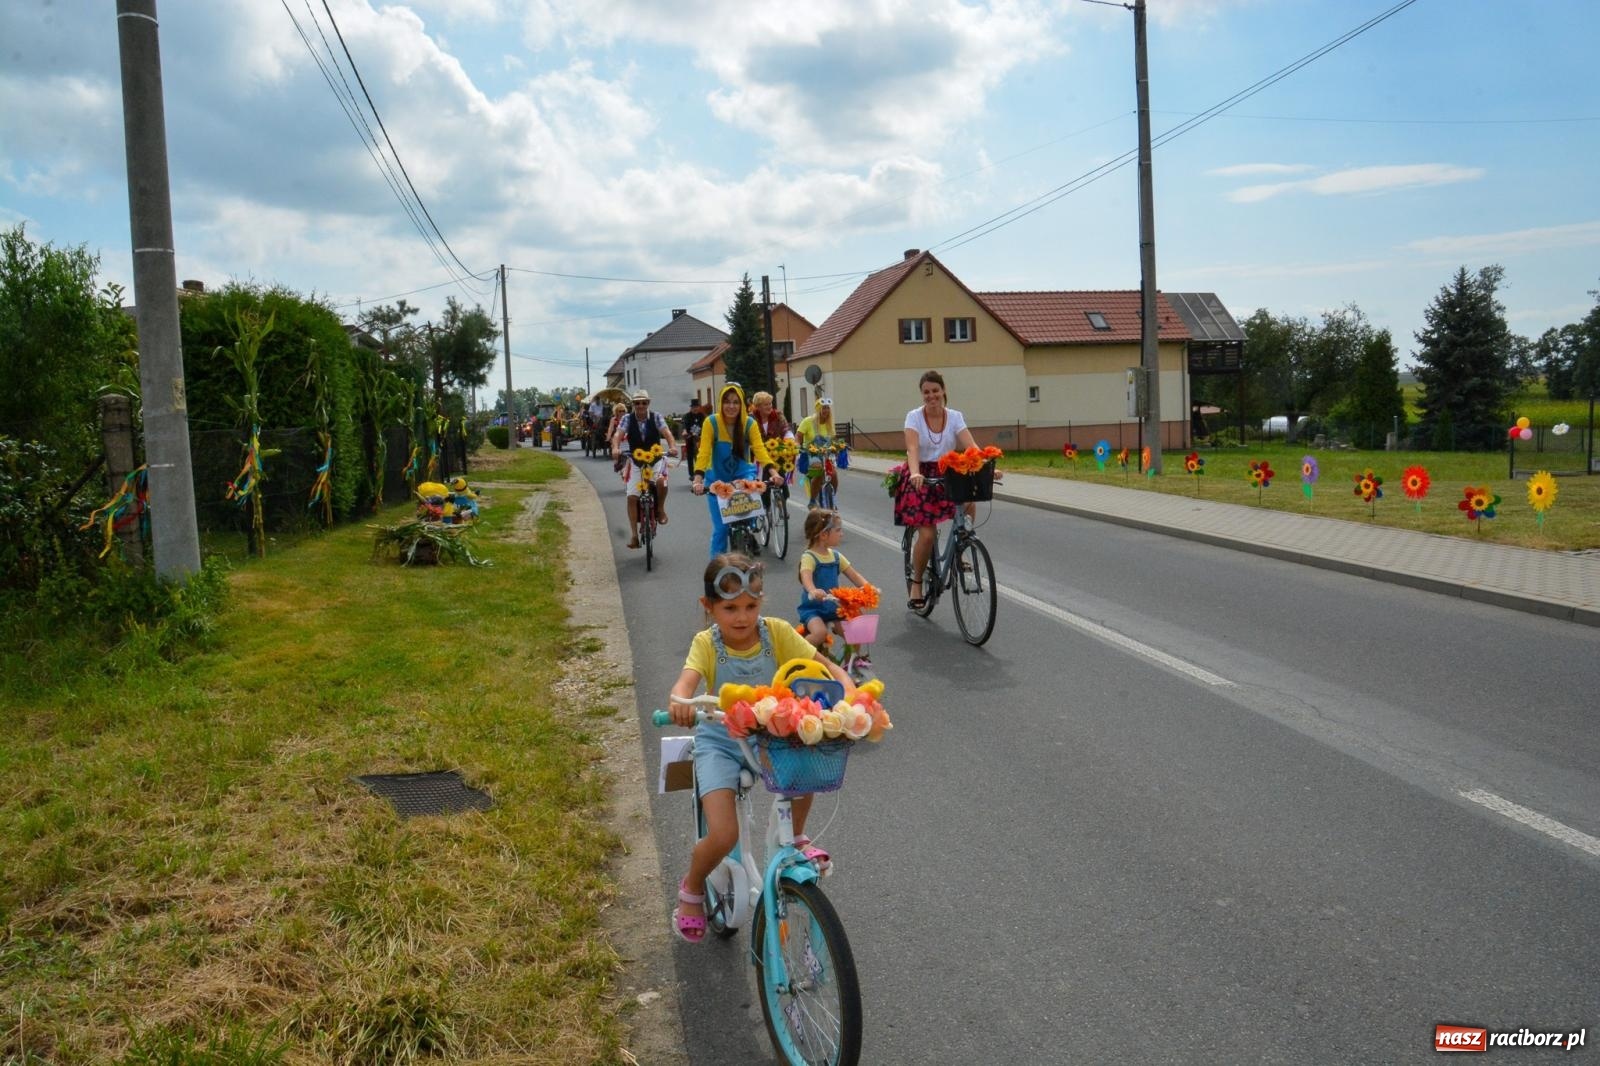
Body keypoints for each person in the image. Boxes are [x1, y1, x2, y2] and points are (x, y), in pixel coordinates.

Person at [667, 553, 854, 943]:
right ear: (709, 607)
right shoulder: (707, 643)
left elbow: (824, 665)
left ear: (761, 603)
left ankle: (795, 837)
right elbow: (687, 681)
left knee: (808, 760)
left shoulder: (777, 633)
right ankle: (693, 887)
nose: (742, 617)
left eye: (751, 606)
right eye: (730, 608)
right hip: (720, 741)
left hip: (767, 736)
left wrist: (848, 689)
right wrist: (679, 701)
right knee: (723, 835)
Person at [899, 370, 993, 610]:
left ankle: (960, 546)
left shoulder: (955, 417)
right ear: (922, 395)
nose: (931, 396)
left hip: (948, 473)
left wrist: (987, 465)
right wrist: (916, 472)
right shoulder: (913, 417)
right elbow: (912, 449)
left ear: (943, 391)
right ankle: (917, 582)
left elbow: (971, 447)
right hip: (921, 476)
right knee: (928, 536)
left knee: (970, 502)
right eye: (926, 392)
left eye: (935, 391)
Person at [691, 383, 782, 557]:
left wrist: (774, 473)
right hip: (717, 479)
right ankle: (714, 576)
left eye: (735, 402)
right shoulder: (711, 423)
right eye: (727, 402)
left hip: (743, 475)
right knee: (721, 530)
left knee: (748, 518)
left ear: (741, 404)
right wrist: (697, 480)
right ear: (720, 403)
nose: (731, 406)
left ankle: (748, 536)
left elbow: (760, 450)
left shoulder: (749, 423)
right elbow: (704, 453)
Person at [795, 509, 871, 667]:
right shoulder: (809, 557)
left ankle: (850, 665)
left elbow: (854, 575)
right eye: (838, 530)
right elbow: (806, 577)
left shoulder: (836, 556)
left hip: (834, 608)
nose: (842, 534)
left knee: (855, 633)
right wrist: (813, 590)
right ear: (823, 534)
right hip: (813, 609)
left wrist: (868, 589)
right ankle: (797, 656)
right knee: (819, 633)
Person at [612, 390, 679, 549]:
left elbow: (667, 433)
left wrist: (672, 446)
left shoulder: (656, 417)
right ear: (633, 404)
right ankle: (634, 536)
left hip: (655, 459)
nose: (640, 405)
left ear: (648, 403)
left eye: (643, 402)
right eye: (637, 403)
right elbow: (617, 435)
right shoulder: (627, 419)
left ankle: (660, 510)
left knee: (662, 483)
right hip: (635, 461)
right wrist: (615, 447)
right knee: (631, 497)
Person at [795, 396, 839, 508]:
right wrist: (797, 446)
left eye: (827, 408)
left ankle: (832, 498)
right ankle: (812, 500)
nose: (826, 411)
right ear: (818, 409)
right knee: (819, 472)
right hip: (811, 454)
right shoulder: (808, 421)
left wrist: (838, 447)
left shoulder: (830, 424)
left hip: (826, 455)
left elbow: (833, 440)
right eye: (823, 408)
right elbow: (798, 435)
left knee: (833, 474)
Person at [680, 397, 707, 483]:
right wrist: (684, 431)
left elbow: (706, 425)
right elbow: (684, 425)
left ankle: (700, 473)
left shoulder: (702, 416)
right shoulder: (687, 416)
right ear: (691, 408)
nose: (695, 408)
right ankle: (692, 474)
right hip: (690, 439)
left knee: (699, 457)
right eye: (693, 407)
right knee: (690, 457)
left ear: (699, 407)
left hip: (700, 439)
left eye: (697, 407)